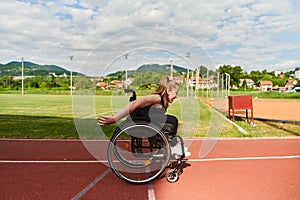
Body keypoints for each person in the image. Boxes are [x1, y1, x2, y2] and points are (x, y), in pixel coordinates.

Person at [98, 76, 190, 157]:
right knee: (172, 120)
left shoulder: (161, 101)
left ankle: (171, 145)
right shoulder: (156, 98)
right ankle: (172, 146)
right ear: (169, 91)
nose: (176, 96)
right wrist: (115, 118)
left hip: (148, 124)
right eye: (176, 93)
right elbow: (134, 103)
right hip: (140, 124)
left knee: (169, 121)